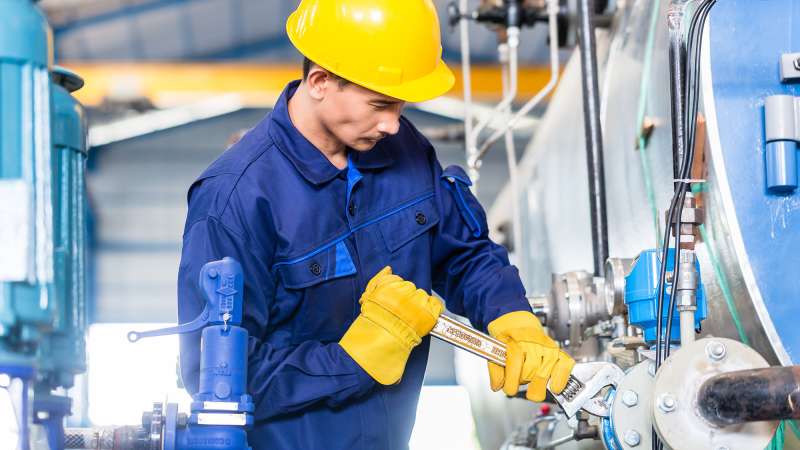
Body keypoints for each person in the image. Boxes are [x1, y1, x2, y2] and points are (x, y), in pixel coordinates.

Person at [177, 1, 574, 448]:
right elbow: (210, 374)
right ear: (320, 81)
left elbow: (463, 253)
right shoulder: (235, 198)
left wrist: (512, 318)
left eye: (401, 105)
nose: (392, 123)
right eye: (381, 104)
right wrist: (353, 359)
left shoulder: (404, 150)